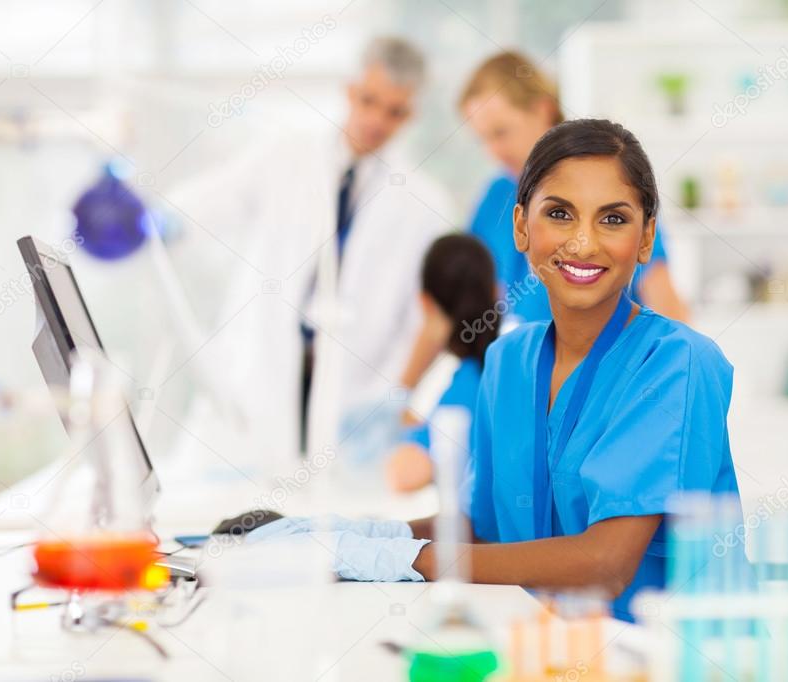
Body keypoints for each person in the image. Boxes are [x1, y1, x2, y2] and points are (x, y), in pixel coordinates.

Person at [249, 119, 737, 622]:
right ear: (522, 227)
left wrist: (404, 560)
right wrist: (351, 536)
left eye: (612, 219)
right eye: (560, 214)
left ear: (646, 237)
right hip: (554, 652)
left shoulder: (676, 364)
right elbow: (486, 531)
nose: (584, 243)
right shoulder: (510, 363)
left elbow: (604, 563)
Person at [168, 37, 453, 466]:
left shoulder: (425, 203)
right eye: (368, 100)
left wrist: (390, 397)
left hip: (353, 391)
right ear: (349, 89)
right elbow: (212, 202)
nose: (376, 120)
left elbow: (423, 319)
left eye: (394, 111)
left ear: (411, 114)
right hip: (261, 373)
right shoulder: (285, 155)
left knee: (327, 515)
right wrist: (159, 220)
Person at [460, 51, 690, 324]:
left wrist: (679, 359)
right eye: (483, 140)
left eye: (501, 133)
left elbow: (661, 292)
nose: (493, 151)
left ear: (542, 110)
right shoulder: (496, 196)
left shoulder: (604, 181)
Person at [384, 234, 498, 493]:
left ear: (425, 303)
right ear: (496, 291)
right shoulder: (509, 363)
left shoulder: (460, 382)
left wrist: (409, 434)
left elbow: (405, 476)